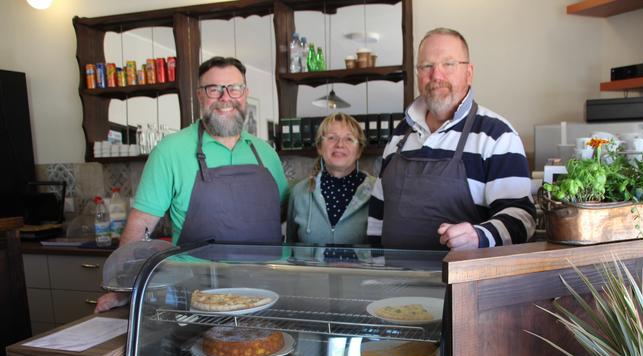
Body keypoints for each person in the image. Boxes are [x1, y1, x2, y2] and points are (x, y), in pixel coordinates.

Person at [96, 56, 288, 312]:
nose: (225, 97)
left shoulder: (266, 153)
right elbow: (141, 222)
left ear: (245, 94)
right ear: (200, 96)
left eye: (234, 88)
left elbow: (284, 214)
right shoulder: (170, 151)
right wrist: (125, 288)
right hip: (197, 294)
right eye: (214, 89)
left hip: (268, 290)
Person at [367, 28, 535, 250]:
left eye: (448, 64)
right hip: (395, 280)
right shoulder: (400, 134)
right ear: (418, 74)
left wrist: (479, 236)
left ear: (469, 72)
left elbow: (523, 217)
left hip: (461, 283)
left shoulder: (496, 135)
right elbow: (378, 215)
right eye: (427, 66)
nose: (436, 75)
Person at [286, 113, 375, 245]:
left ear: (359, 151)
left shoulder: (377, 191)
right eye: (332, 138)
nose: (340, 144)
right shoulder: (299, 192)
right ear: (319, 147)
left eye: (349, 139)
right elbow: (290, 248)